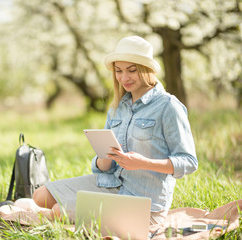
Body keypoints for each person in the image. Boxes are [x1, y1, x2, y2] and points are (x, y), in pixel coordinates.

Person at [32, 36, 198, 225]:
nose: (123, 78)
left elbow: (189, 162)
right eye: (118, 71)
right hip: (111, 185)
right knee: (40, 196)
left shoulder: (168, 106)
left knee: (58, 212)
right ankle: (85, 209)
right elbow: (103, 167)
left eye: (131, 70)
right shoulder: (117, 107)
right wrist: (105, 157)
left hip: (144, 204)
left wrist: (143, 162)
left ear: (147, 69)